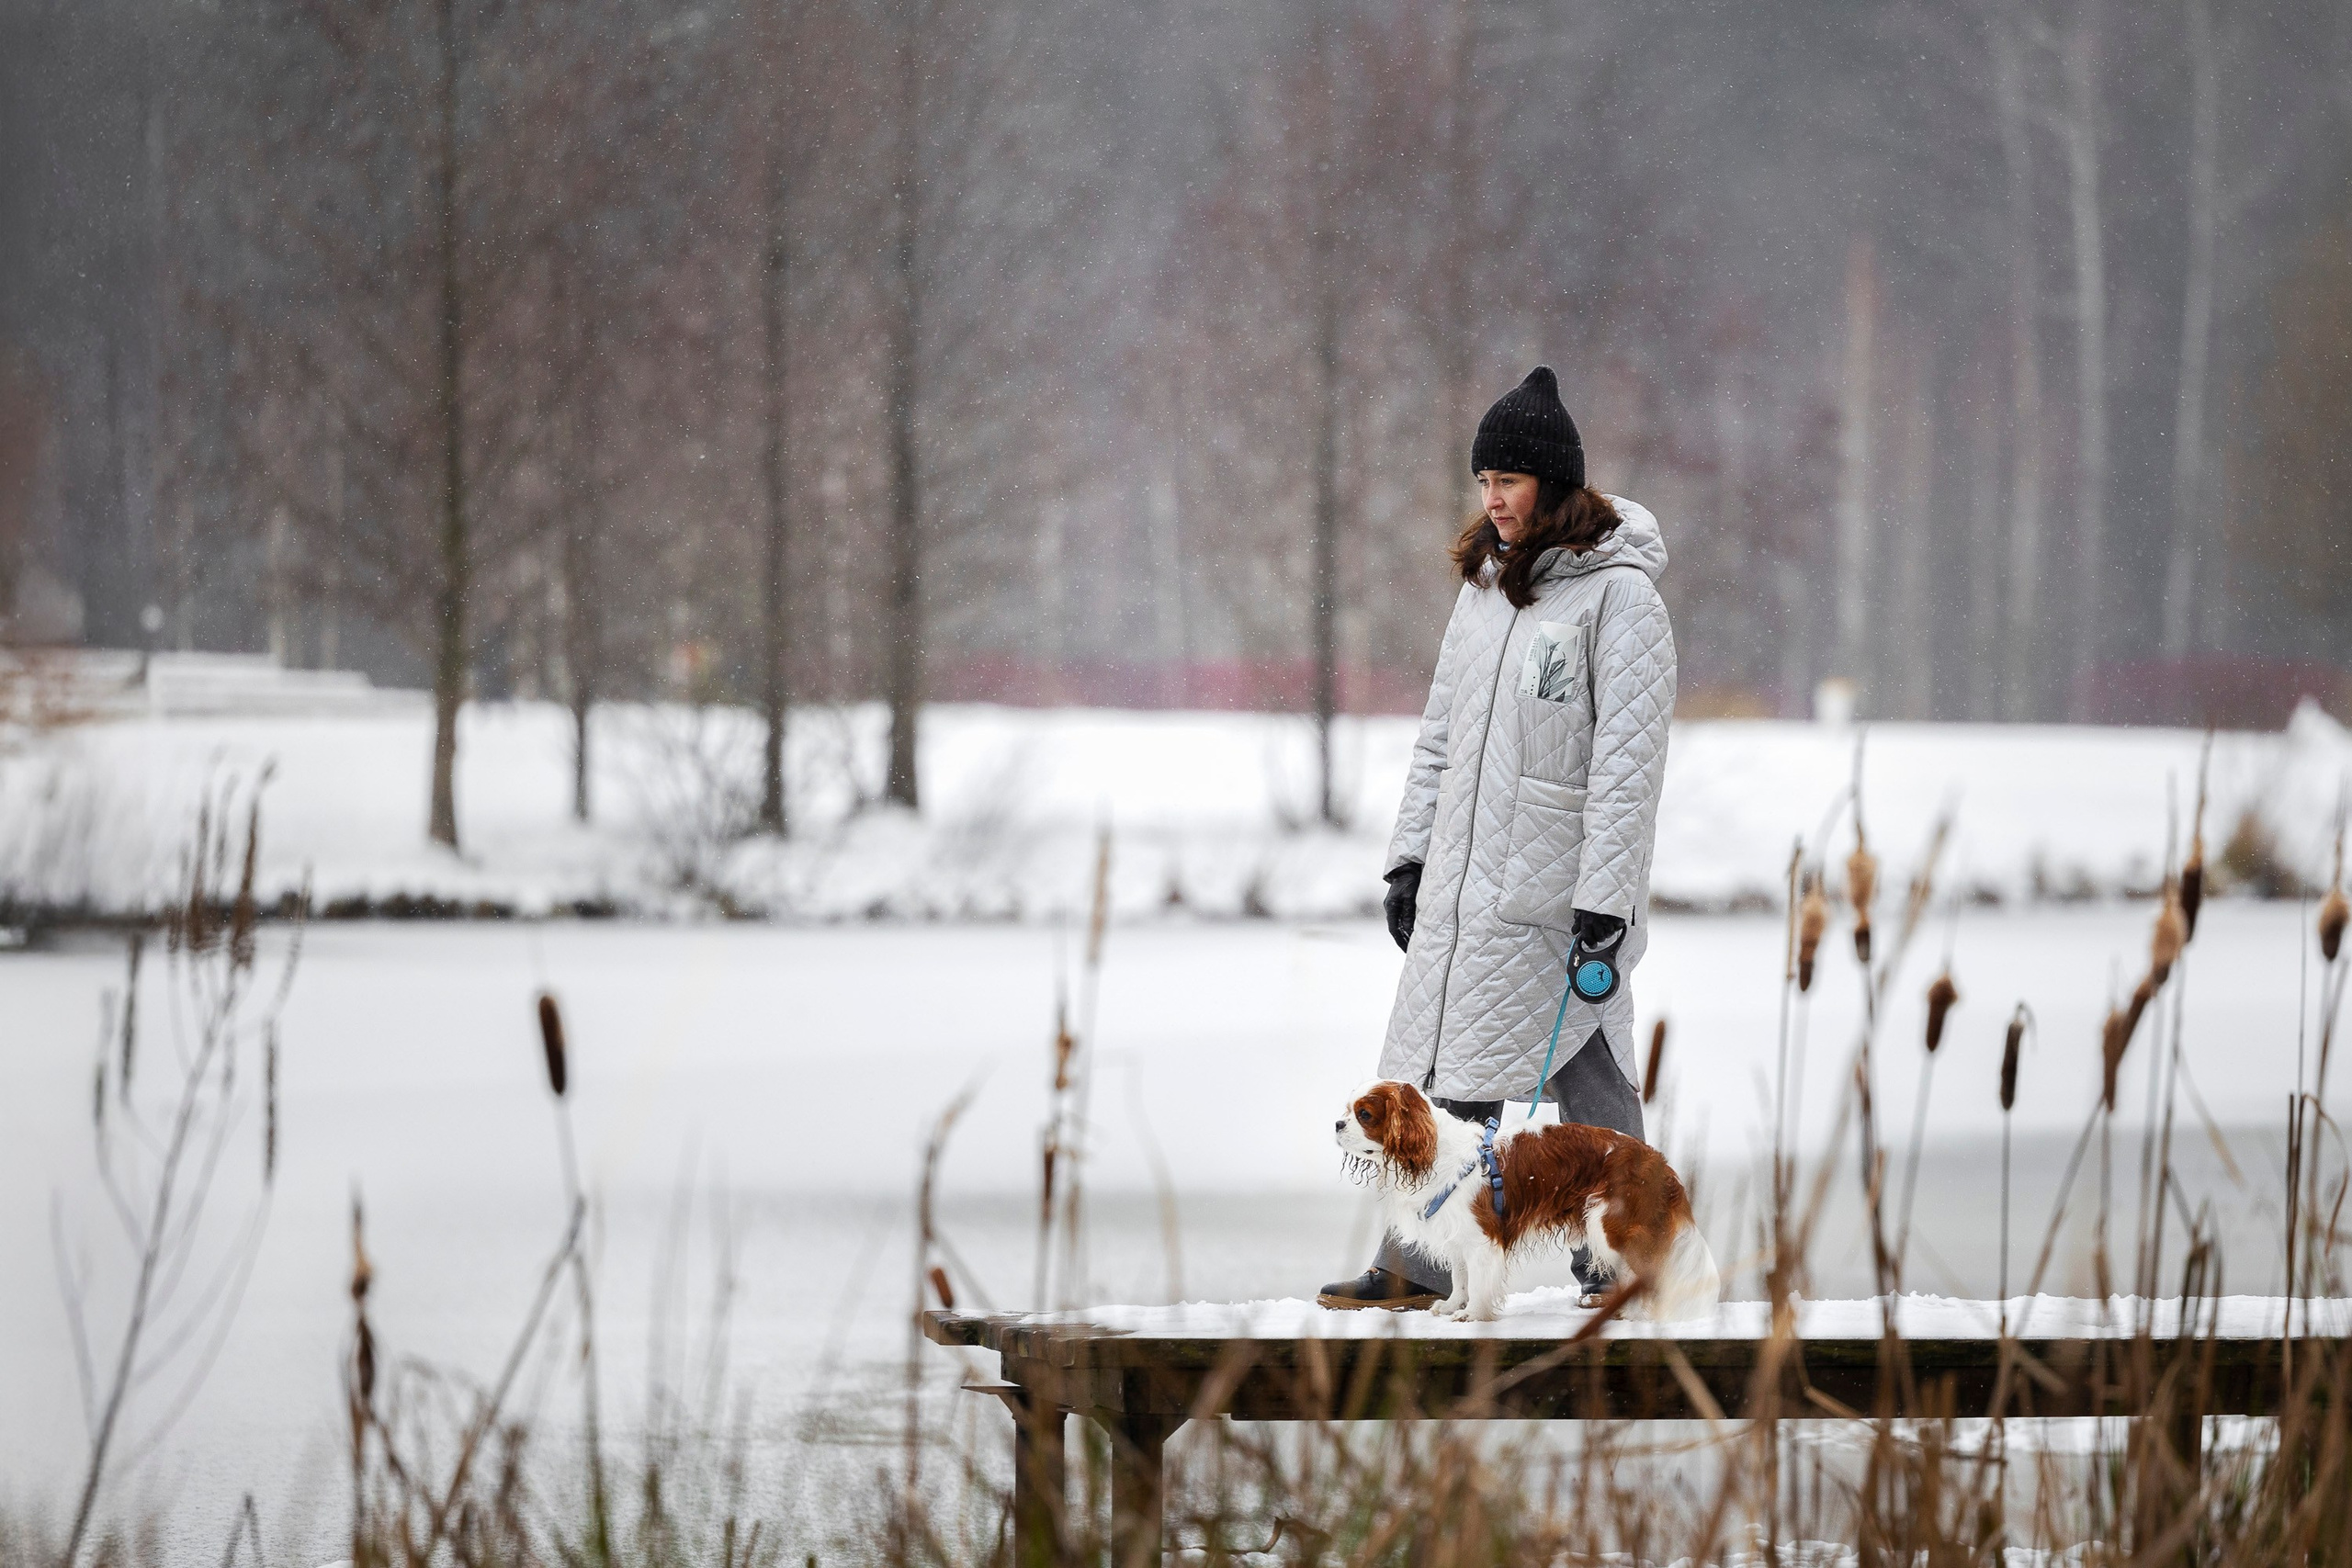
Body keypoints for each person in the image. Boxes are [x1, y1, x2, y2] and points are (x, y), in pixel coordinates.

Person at [1320, 365, 1678, 1310]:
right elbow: (1440, 735)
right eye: (1483, 483)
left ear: (1556, 485)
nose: (1494, 501)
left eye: (1509, 483)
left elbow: (1627, 767)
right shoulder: (1482, 589)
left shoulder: (1619, 601)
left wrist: (1605, 899)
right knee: (1473, 1064)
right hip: (1465, 882)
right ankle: (1608, 1259)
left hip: (1555, 892)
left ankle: (1587, 1259)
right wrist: (1408, 858)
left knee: (1507, 1069)